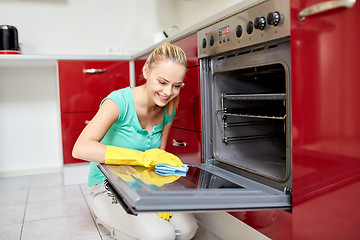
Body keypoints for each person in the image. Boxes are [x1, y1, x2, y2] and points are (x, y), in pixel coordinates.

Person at [72, 42, 198, 240]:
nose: (168, 92)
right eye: (162, 82)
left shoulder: (169, 106)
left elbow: (158, 160)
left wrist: (160, 194)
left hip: (143, 185)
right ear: (146, 71)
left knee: (187, 229)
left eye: (176, 86)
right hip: (107, 186)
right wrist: (141, 157)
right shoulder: (118, 102)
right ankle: (106, 219)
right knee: (160, 235)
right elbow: (80, 148)